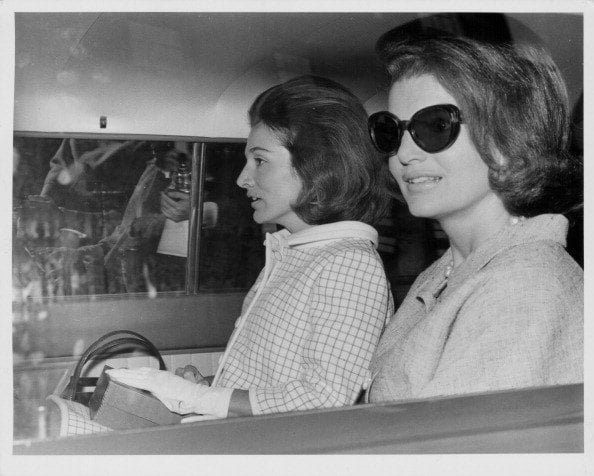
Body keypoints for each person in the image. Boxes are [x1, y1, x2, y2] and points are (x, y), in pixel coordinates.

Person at [108, 75, 394, 418]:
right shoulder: (294, 253)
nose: (242, 179)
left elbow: (326, 399)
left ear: (317, 164)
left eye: (259, 160)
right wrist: (208, 387)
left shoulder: (348, 264)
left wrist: (196, 398)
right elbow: (271, 382)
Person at [366, 14, 583, 403]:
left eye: (434, 126)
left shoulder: (525, 285)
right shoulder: (446, 272)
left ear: (508, 141)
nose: (404, 152)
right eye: (391, 130)